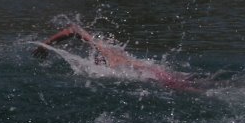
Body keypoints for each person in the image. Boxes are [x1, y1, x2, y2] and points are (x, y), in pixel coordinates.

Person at [35, 24, 200, 93]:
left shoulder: (106, 54)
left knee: (196, 91)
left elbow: (73, 30)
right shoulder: (110, 54)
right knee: (199, 85)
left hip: (154, 76)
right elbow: (73, 31)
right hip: (155, 72)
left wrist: (46, 44)